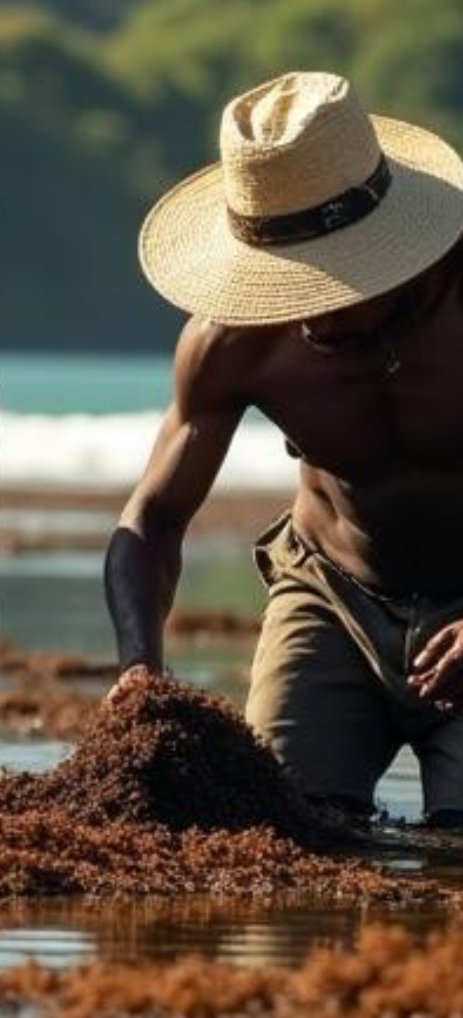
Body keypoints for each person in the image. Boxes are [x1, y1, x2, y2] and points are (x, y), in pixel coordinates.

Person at [105, 70, 463, 827]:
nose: (299, 311)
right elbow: (152, 519)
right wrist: (140, 666)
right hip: (332, 595)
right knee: (276, 830)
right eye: (277, 280)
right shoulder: (233, 343)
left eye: (323, 282)